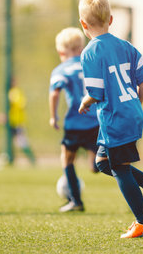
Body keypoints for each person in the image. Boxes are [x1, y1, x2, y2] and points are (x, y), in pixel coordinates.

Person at [78, 0, 143, 238]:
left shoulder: (90, 52)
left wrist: (84, 102)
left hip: (115, 118)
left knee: (119, 167)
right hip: (130, 113)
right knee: (103, 163)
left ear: (83, 24)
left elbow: (96, 92)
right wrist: (135, 102)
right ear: (111, 20)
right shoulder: (126, 46)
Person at [49, 27, 99, 212]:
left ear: (61, 52)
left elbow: (55, 93)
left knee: (67, 158)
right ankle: (98, 163)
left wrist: (53, 116)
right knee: (96, 165)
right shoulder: (91, 65)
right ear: (82, 47)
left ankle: (76, 201)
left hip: (75, 123)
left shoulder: (61, 69)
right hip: (96, 121)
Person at [7, 78, 36, 165]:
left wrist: (13, 103)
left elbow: (21, 104)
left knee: (22, 142)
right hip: (11, 122)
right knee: (9, 142)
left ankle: (32, 159)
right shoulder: (10, 92)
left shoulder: (16, 92)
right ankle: (7, 158)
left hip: (17, 122)